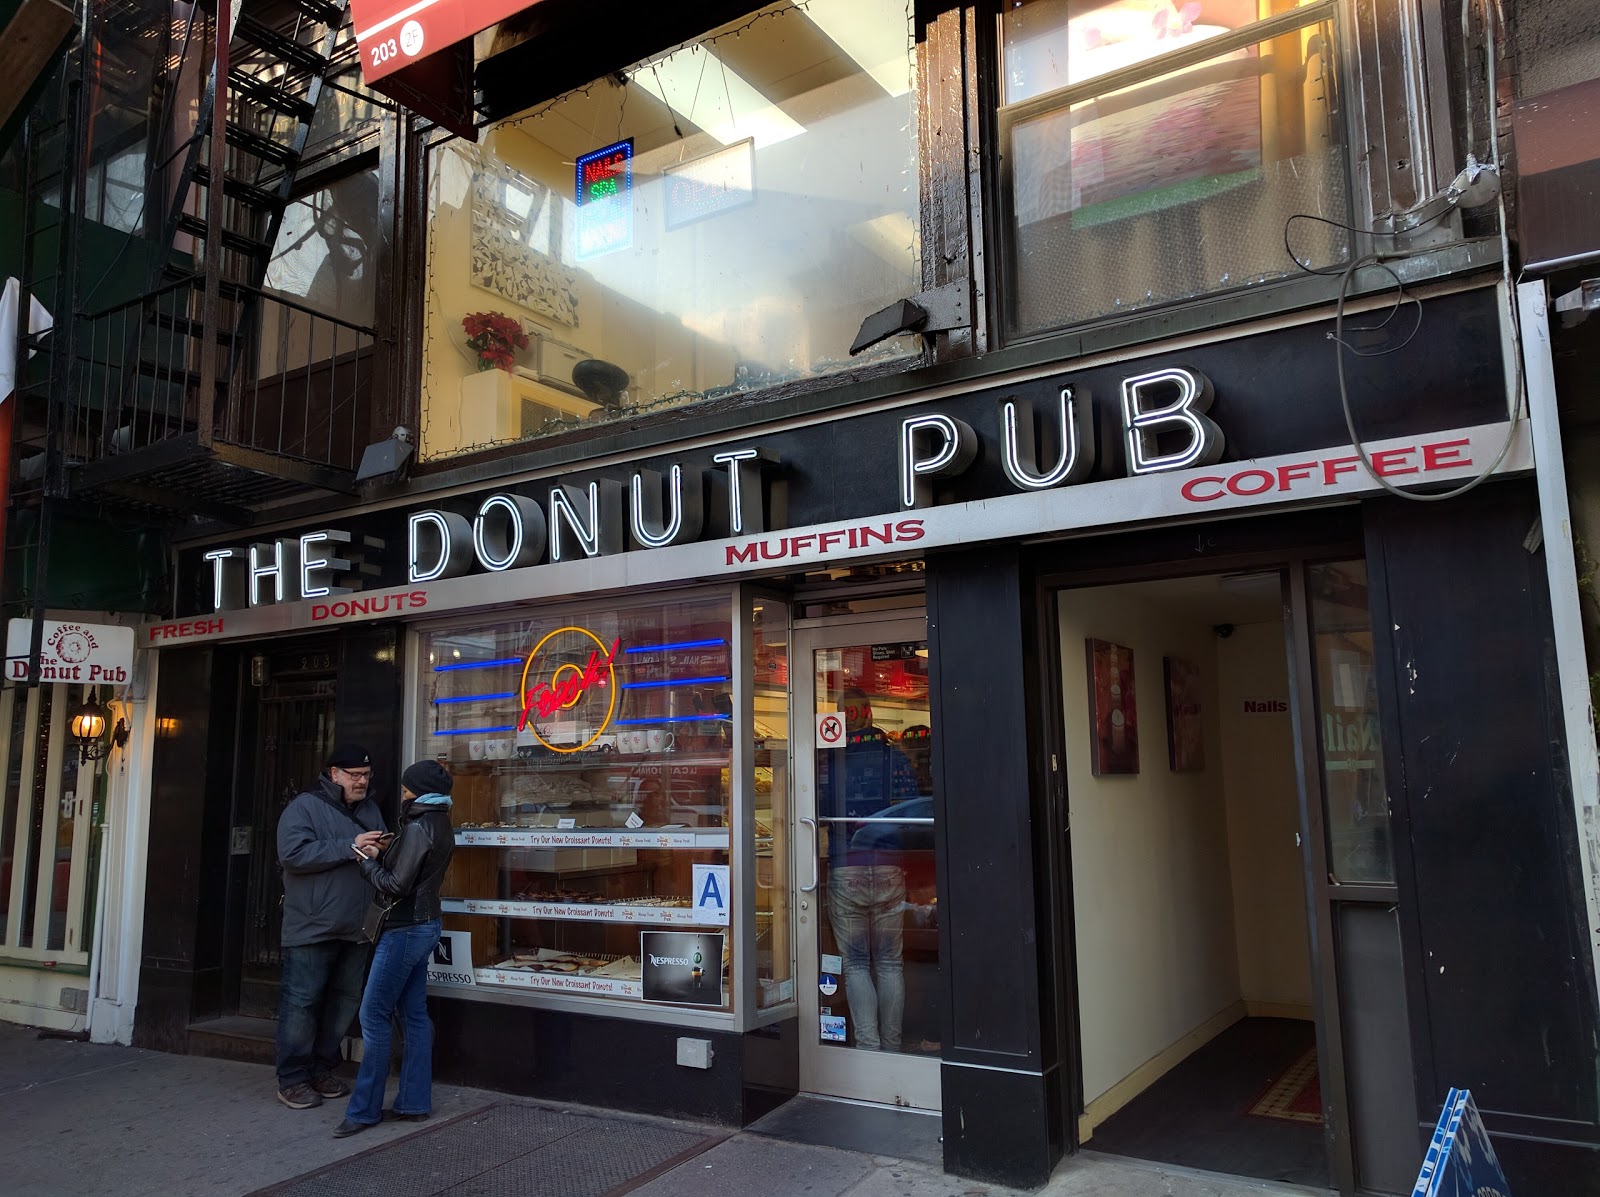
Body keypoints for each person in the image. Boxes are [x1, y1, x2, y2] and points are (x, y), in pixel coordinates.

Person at [335, 760, 456, 1137]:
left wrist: (366, 861)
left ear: (417, 791)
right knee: (414, 1014)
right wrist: (391, 847)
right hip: (427, 925)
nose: (402, 793)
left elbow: (396, 885)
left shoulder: (419, 826)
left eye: (406, 789)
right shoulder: (438, 821)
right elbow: (417, 870)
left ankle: (363, 1111)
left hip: (404, 930)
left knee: (373, 1015)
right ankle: (414, 1102)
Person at [275, 743, 389, 1110]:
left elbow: (376, 851)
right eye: (355, 776)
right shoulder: (303, 807)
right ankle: (292, 1079)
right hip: (312, 924)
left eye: (366, 776)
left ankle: (321, 1069)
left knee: (344, 1003)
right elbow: (292, 855)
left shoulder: (370, 808)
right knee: (302, 1003)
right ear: (333, 774)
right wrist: (351, 846)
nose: (361, 782)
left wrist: (381, 849)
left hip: (358, 925)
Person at [817, 688, 920, 1053]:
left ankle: (868, 1049)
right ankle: (891, 1049)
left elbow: (813, 805)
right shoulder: (895, 757)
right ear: (870, 713)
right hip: (890, 867)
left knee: (856, 963)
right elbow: (911, 809)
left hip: (847, 868)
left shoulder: (830, 760)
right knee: (890, 963)